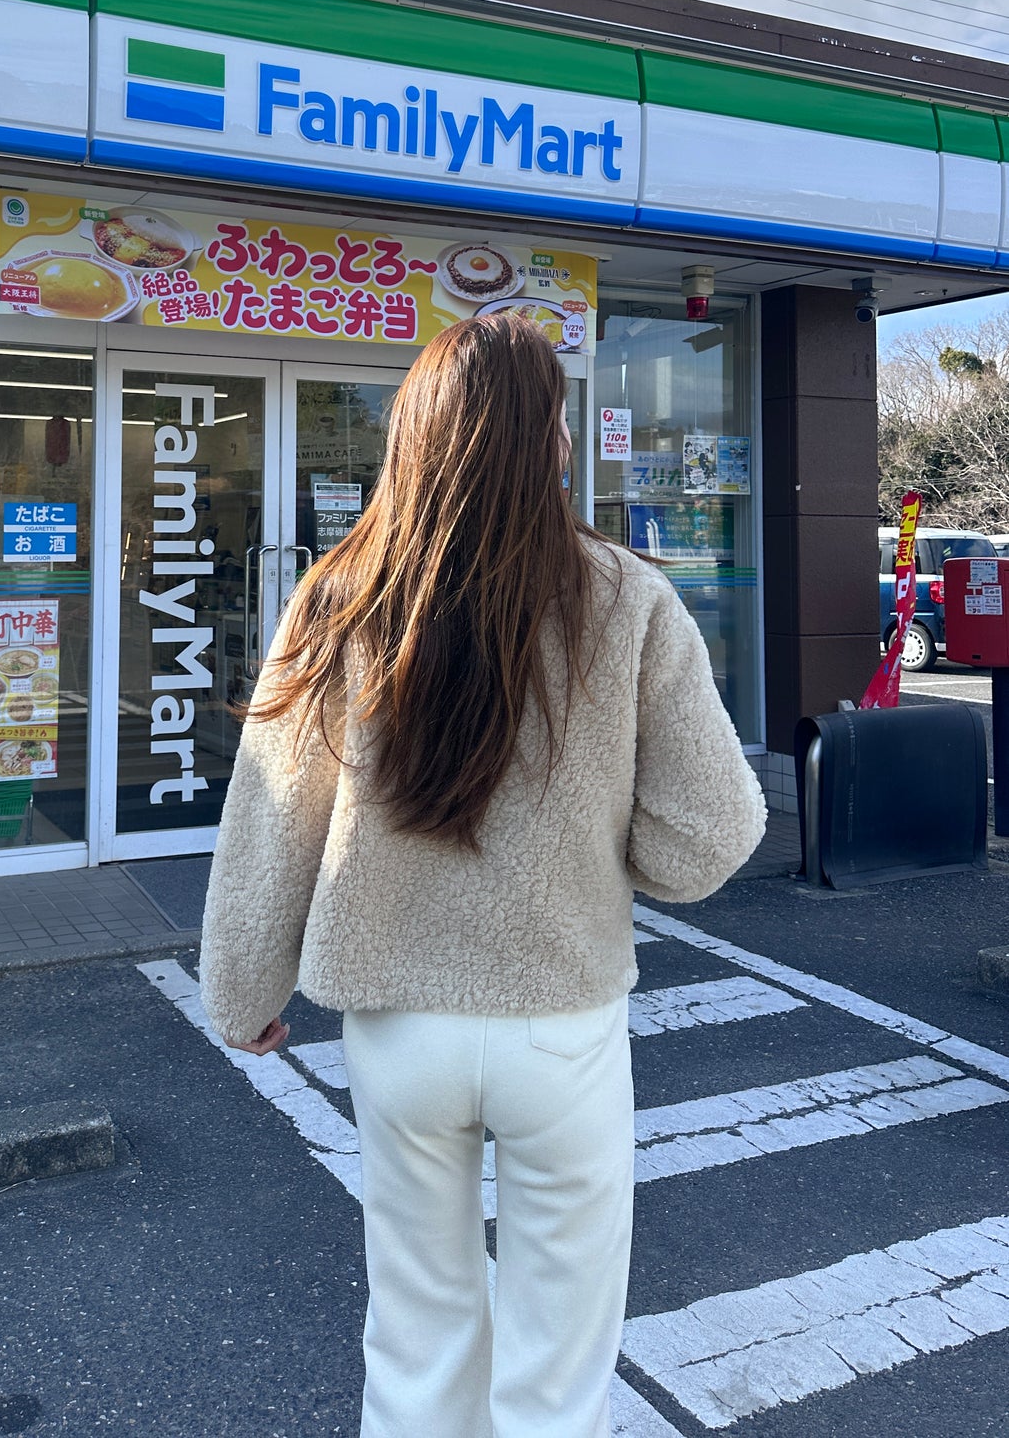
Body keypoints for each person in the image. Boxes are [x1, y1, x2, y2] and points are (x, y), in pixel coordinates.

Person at [199, 314, 765, 1438]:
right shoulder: (625, 597)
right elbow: (708, 834)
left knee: (416, 1321)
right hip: (559, 1018)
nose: (562, 435)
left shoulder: (337, 593)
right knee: (558, 1355)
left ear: (414, 434)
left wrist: (239, 987)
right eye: (556, 414)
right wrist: (616, 846)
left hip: (395, 1021)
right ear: (542, 437)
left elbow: (271, 814)